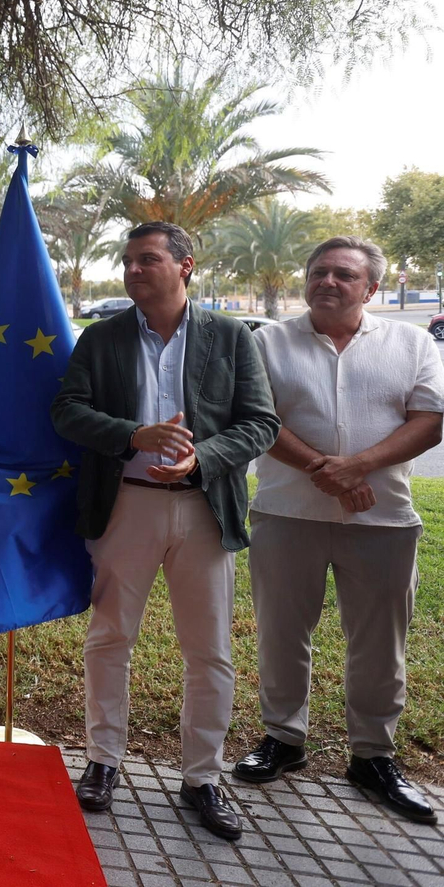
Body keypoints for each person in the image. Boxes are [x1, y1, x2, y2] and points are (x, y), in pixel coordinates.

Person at [51, 221, 278, 841]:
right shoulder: (101, 338)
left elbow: (261, 423)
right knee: (109, 636)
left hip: (204, 508)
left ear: (186, 266)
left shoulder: (231, 336)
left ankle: (202, 777)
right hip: (127, 505)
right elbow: (67, 410)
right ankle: (103, 761)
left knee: (209, 650)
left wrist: (203, 454)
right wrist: (132, 435)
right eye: (127, 261)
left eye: (147, 260)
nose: (132, 270)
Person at [233, 236, 443, 824]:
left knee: (380, 643)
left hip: (383, 519)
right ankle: (282, 739)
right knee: (281, 632)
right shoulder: (269, 340)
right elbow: (257, 417)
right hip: (284, 514)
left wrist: (358, 467)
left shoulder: (412, 342)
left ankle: (373, 756)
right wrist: (328, 472)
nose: (328, 281)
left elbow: (430, 421)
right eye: (319, 272)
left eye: (344, 275)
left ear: (370, 287)